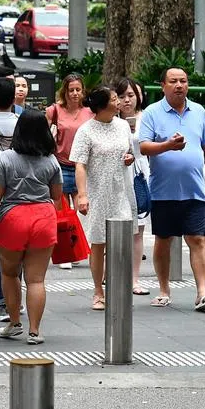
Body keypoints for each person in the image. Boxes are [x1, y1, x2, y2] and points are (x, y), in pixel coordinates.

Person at [137, 67, 205, 312]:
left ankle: (202, 292)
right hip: (163, 191)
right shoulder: (153, 113)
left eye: (183, 81)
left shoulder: (199, 111)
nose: (179, 85)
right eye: (173, 81)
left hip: (195, 188)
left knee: (196, 239)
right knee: (163, 240)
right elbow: (144, 147)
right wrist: (167, 146)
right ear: (163, 85)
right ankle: (164, 290)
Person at [0, 109, 62, 343]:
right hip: (43, 217)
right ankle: (35, 331)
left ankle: (15, 323)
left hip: (13, 218)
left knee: (9, 273)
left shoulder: (5, 159)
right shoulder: (51, 160)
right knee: (36, 279)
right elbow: (57, 196)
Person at [70, 87, 136, 312]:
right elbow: (80, 163)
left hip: (119, 191)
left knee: (120, 242)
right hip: (96, 192)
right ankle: (98, 291)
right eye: (115, 99)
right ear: (101, 105)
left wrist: (129, 158)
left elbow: (129, 151)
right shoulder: (86, 131)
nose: (119, 102)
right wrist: (82, 194)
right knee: (97, 244)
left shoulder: (123, 125)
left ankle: (116, 288)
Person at [114, 77, 149, 294]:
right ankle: (112, 275)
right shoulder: (108, 120)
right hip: (116, 176)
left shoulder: (147, 119)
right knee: (114, 228)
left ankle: (135, 279)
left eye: (131, 95)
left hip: (140, 176)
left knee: (138, 229)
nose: (127, 100)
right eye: (121, 96)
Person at [47, 73, 90, 210]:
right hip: (61, 165)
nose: (75, 93)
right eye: (71, 90)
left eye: (78, 90)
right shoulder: (55, 110)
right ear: (65, 92)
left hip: (82, 165)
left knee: (82, 212)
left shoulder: (90, 112)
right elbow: (45, 134)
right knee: (62, 213)